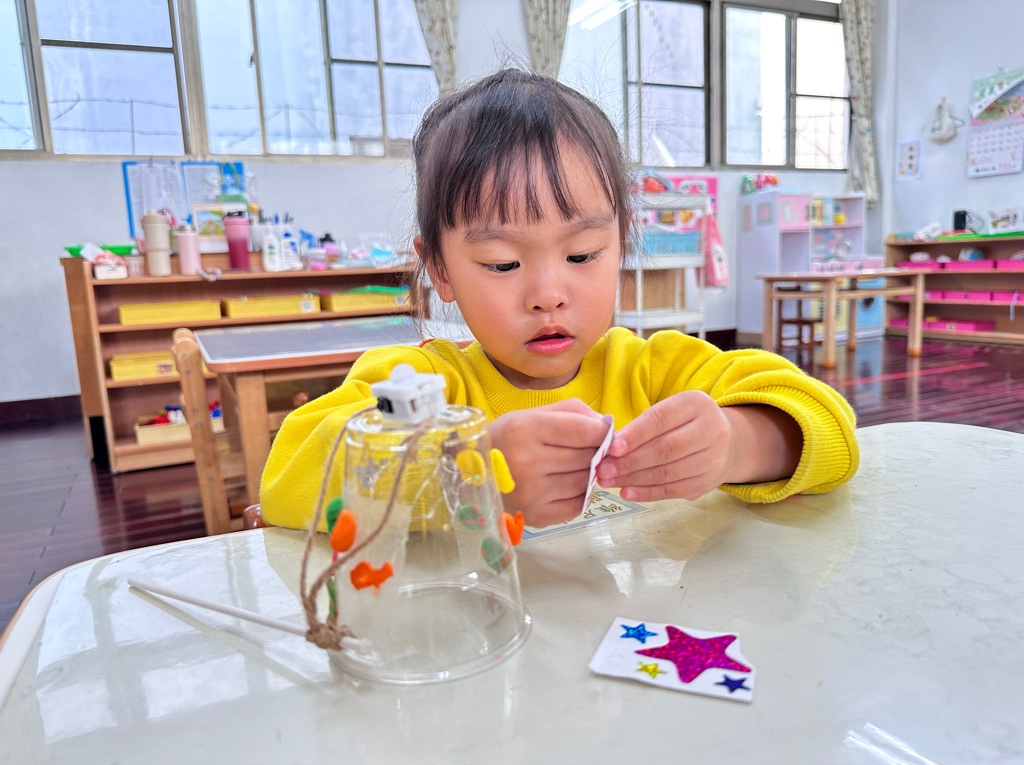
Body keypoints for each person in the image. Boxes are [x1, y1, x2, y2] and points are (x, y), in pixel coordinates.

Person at [261, 68, 858, 530]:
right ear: (439, 269)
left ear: (619, 245)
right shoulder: (424, 387)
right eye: (502, 263)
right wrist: (469, 470)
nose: (548, 296)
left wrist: (736, 445)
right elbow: (289, 475)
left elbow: (831, 426)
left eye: (582, 255)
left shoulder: (655, 371)